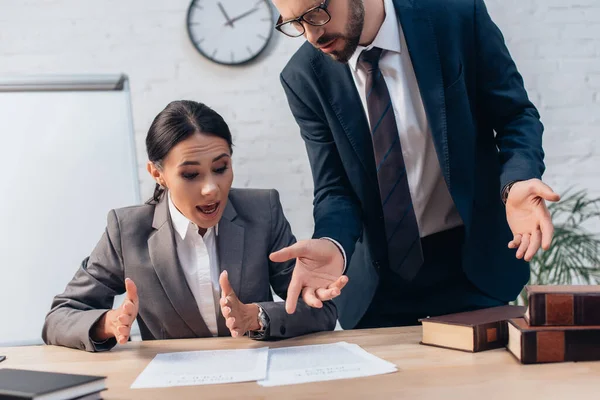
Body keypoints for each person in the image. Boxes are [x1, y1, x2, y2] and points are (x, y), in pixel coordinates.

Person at [268, 0, 561, 329]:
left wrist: (517, 181)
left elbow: (514, 116)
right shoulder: (304, 76)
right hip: (378, 289)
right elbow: (335, 187)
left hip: (473, 267)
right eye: (295, 24)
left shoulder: (457, 17)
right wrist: (331, 243)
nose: (311, 35)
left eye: (316, 13)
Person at [42, 100, 337, 352]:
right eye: (191, 174)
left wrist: (256, 316)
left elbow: (320, 311)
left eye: (221, 169)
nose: (211, 188)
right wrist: (107, 323)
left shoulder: (263, 211)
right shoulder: (127, 230)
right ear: (158, 174)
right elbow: (59, 317)